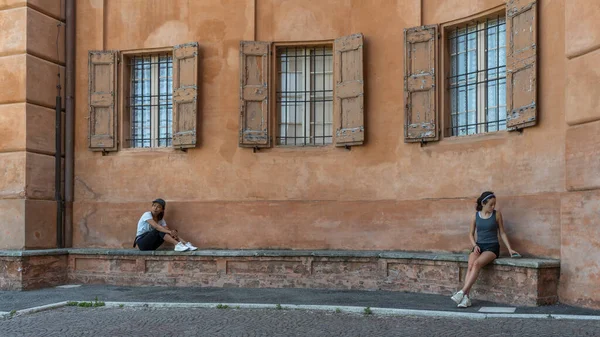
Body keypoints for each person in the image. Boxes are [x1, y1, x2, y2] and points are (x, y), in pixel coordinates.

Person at [450, 191, 519, 308]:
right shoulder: (475, 216)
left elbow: (502, 232)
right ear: (483, 203)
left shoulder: (497, 215)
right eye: (491, 204)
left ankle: (462, 292)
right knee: (470, 266)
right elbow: (471, 234)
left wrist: (510, 249)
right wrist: (475, 245)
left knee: (477, 264)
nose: (493, 207)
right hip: (479, 246)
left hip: (492, 247)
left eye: (494, 204)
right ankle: (466, 298)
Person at [133, 198, 198, 252]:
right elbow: (156, 226)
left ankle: (185, 244)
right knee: (159, 230)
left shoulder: (160, 219)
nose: (155, 208)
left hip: (152, 245)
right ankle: (177, 245)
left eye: (158, 207)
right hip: (142, 243)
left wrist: (172, 232)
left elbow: (167, 230)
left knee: (165, 230)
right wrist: (169, 232)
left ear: (162, 210)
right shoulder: (147, 214)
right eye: (154, 205)